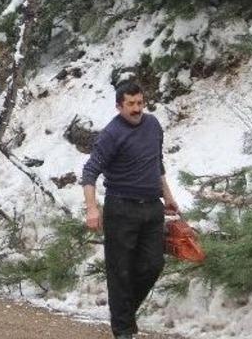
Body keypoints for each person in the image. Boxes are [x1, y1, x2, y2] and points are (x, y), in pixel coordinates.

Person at [80, 82, 178, 339]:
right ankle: (123, 331)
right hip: (121, 208)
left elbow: (157, 163)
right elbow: (89, 172)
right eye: (130, 104)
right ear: (119, 106)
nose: (136, 109)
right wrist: (92, 209)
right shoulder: (111, 134)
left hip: (152, 208)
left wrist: (168, 196)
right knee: (120, 270)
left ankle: (123, 315)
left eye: (140, 103)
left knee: (153, 264)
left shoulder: (153, 125)